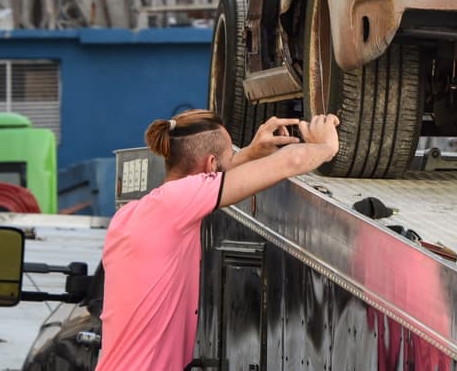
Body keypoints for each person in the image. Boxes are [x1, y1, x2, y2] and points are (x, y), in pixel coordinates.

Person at [95, 110, 342, 371]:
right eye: (228, 159)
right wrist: (327, 146)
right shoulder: (180, 201)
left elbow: (211, 176)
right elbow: (290, 162)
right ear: (211, 164)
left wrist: (251, 154)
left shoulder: (132, 214)